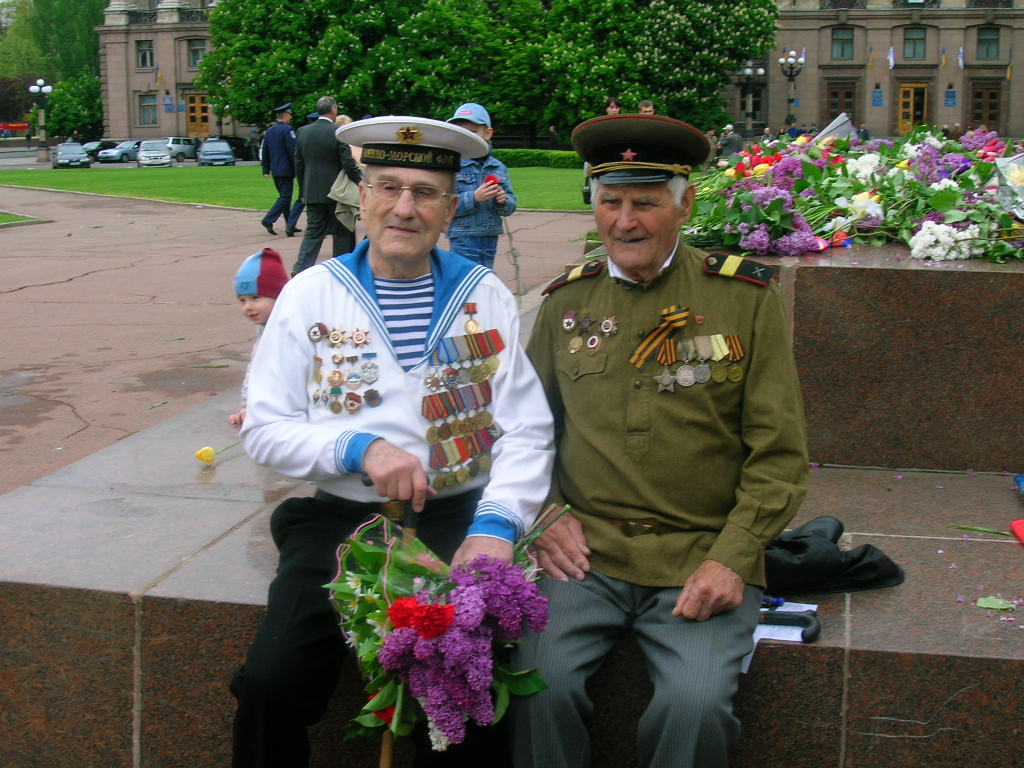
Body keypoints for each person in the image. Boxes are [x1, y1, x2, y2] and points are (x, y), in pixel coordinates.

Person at [230, 115, 555, 767]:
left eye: (425, 192)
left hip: (457, 522)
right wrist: (359, 449)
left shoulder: (483, 295)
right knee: (271, 683)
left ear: (450, 208)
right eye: (388, 187)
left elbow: (527, 428)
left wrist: (496, 525)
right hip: (341, 526)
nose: (405, 207)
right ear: (364, 196)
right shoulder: (312, 294)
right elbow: (265, 427)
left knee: (466, 703)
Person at [512, 114, 809, 768]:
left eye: (645, 203)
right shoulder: (565, 302)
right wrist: (546, 511)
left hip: (701, 551)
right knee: (537, 687)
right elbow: (526, 431)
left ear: (685, 204)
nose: (624, 222)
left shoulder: (744, 298)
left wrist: (734, 556)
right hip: (585, 554)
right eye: (609, 202)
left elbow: (780, 454)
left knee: (694, 706)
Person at [292, 96, 363, 275]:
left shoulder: (303, 132)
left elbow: (299, 164)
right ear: (334, 110)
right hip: (336, 192)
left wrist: (303, 190)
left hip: (312, 190)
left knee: (313, 232)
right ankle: (342, 270)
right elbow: (348, 163)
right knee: (342, 232)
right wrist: (360, 182)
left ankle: (300, 269)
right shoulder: (338, 132)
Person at [444, 102, 517, 269]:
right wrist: (474, 197)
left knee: (485, 276)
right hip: (462, 236)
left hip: (490, 234)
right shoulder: (452, 166)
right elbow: (444, 205)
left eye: (473, 132)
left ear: (488, 133)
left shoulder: (497, 167)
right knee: (465, 277)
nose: (467, 138)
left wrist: (503, 200)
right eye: (461, 133)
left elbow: (511, 205)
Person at [228, 247, 289, 426]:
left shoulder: (293, 328)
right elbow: (255, 369)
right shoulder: (264, 328)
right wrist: (247, 407)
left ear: (279, 296)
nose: (247, 307)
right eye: (242, 300)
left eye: (255, 298)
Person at [260, 103, 304, 237]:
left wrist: (266, 169)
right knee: (285, 197)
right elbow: (293, 151)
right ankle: (268, 219)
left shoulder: (270, 131)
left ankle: (290, 224)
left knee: (285, 198)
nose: (290, 117)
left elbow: (265, 151)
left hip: (275, 169)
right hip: (286, 169)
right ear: (285, 115)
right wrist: (298, 167)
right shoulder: (287, 130)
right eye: (289, 114)